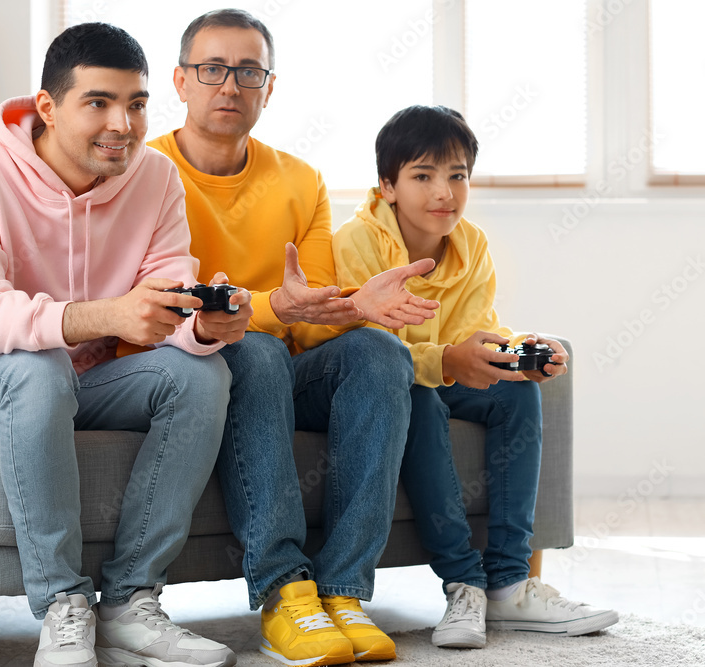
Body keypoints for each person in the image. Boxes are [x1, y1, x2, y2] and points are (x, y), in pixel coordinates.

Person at [0, 22, 252, 667]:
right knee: (36, 368)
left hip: (88, 383)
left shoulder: (155, 179)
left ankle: (129, 602)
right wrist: (107, 315)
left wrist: (200, 324)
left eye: (137, 104)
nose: (123, 123)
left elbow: (162, 300)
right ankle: (63, 605)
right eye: (98, 102)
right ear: (47, 107)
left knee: (201, 374)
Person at [149, 10, 440, 665]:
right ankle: (286, 591)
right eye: (212, 69)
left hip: (282, 366)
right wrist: (266, 307)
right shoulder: (147, 173)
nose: (229, 85)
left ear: (269, 87)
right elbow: (163, 304)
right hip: (192, 366)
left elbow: (307, 317)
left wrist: (352, 307)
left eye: (248, 71)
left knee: (376, 351)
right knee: (252, 348)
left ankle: (343, 589)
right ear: (182, 81)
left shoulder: (301, 180)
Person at [332, 104, 619, 649]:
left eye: (457, 176)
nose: (444, 192)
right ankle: (464, 582)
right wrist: (445, 361)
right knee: (417, 398)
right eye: (423, 176)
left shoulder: (472, 244)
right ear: (387, 185)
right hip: (389, 381)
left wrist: (522, 352)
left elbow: (475, 333)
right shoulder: (356, 241)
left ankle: (511, 582)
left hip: (442, 374)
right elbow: (368, 350)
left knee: (517, 391)